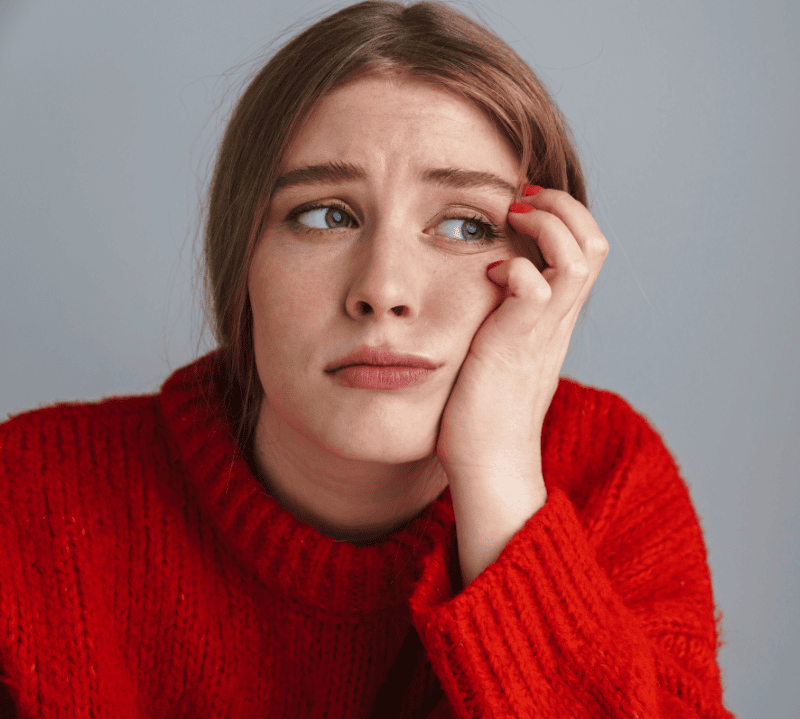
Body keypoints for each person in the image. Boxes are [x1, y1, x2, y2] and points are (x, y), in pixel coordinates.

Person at [0, 1, 736, 717]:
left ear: (545, 267)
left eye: (463, 224)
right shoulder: (25, 495)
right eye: (326, 215)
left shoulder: (609, 472)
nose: (383, 291)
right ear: (241, 263)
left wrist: (503, 480)